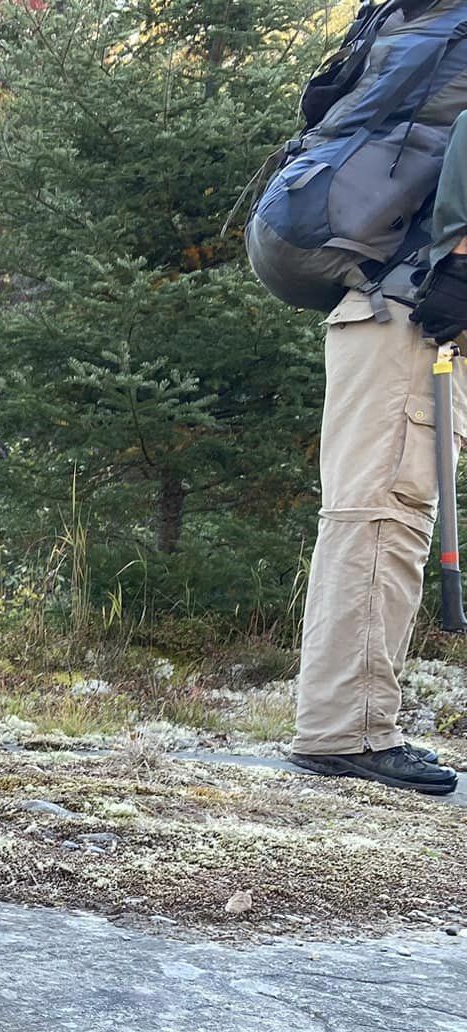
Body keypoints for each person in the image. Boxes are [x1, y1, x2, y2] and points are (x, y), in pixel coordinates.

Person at [280, 6, 467, 795]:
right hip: (413, 310)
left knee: (383, 507)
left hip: (394, 305)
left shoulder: (419, 25)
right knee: (382, 511)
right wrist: (458, 265)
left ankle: (345, 723)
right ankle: (346, 731)